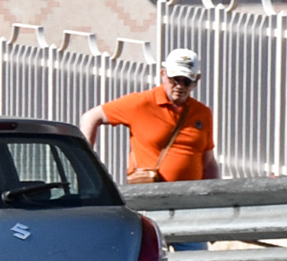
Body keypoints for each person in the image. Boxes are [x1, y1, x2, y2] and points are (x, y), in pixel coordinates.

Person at [80, 48, 219, 183]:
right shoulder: (141, 103)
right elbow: (91, 117)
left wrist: (215, 195)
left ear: (196, 81)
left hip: (190, 197)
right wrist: (85, 162)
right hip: (152, 194)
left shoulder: (202, 112)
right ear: (163, 74)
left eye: (187, 81)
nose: (180, 86)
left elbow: (208, 160)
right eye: (175, 79)